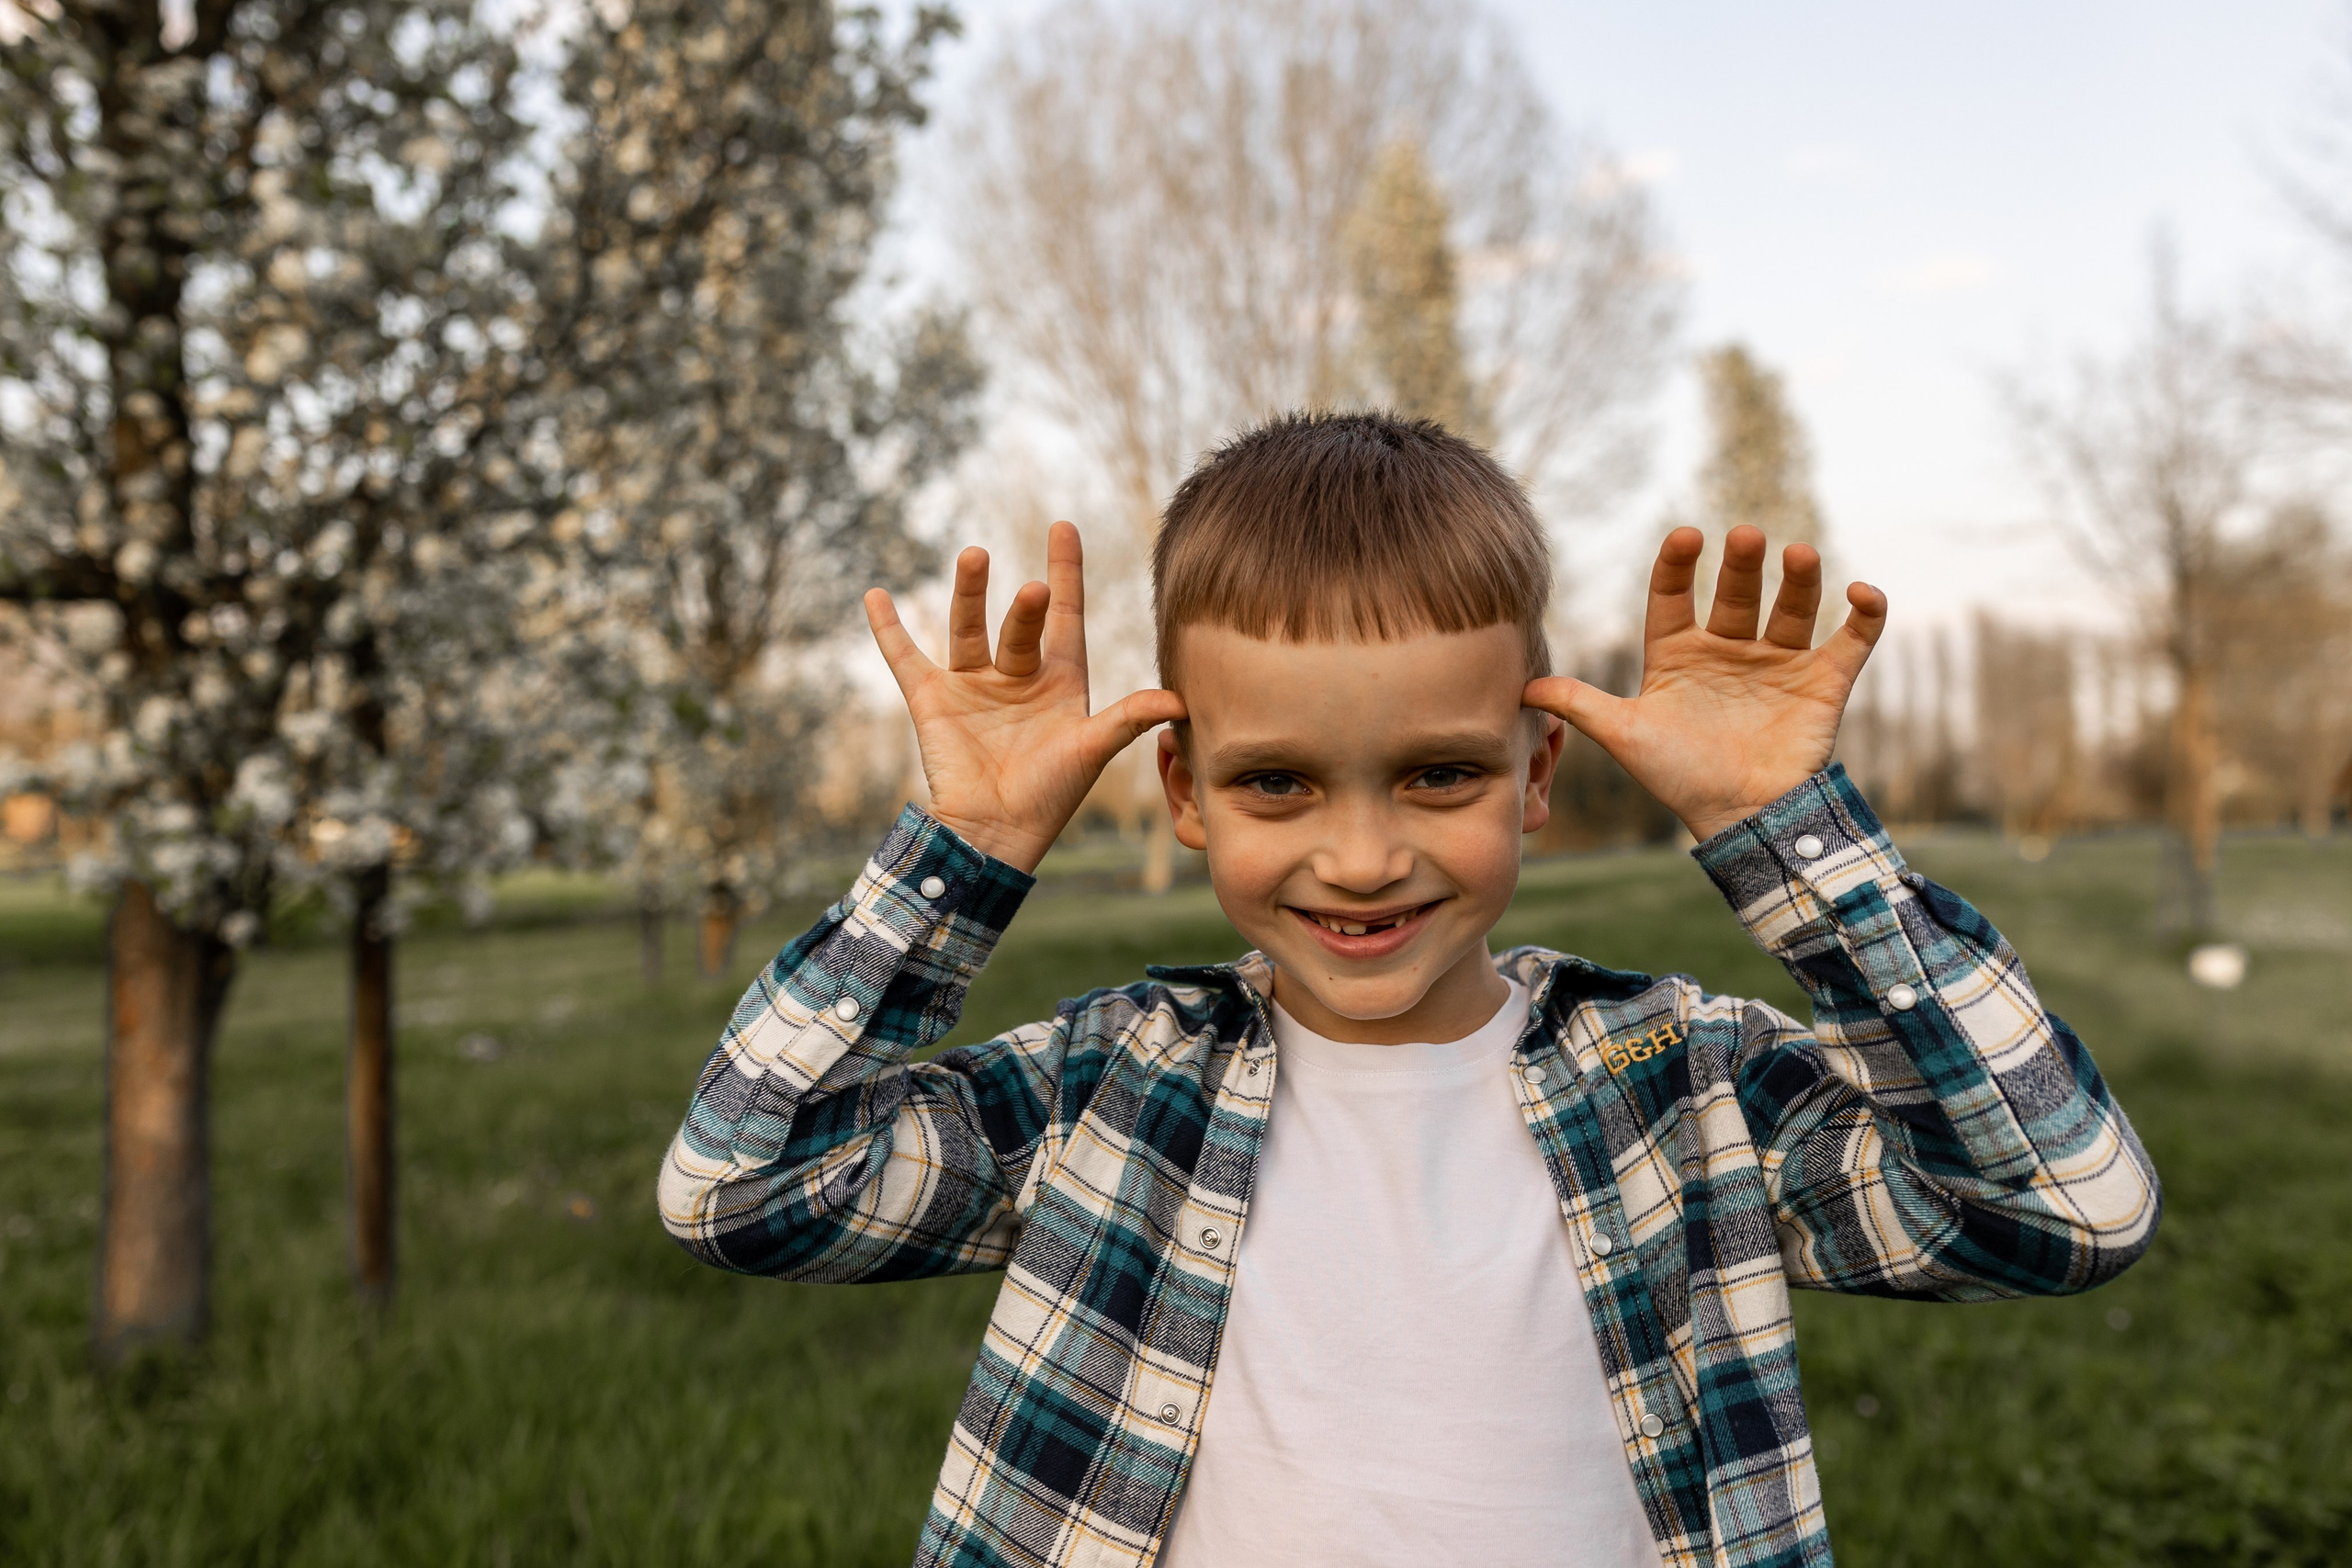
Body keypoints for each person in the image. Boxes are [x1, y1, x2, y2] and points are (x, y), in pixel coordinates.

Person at [657, 412, 2160, 1568]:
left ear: (1536, 775)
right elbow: (743, 1184)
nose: (1361, 857)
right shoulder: (1111, 1088)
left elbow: (2063, 1210)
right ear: (1184, 790)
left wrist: (1789, 837)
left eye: (1439, 775)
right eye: (1280, 784)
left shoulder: (1685, 1088)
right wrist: (966, 853)